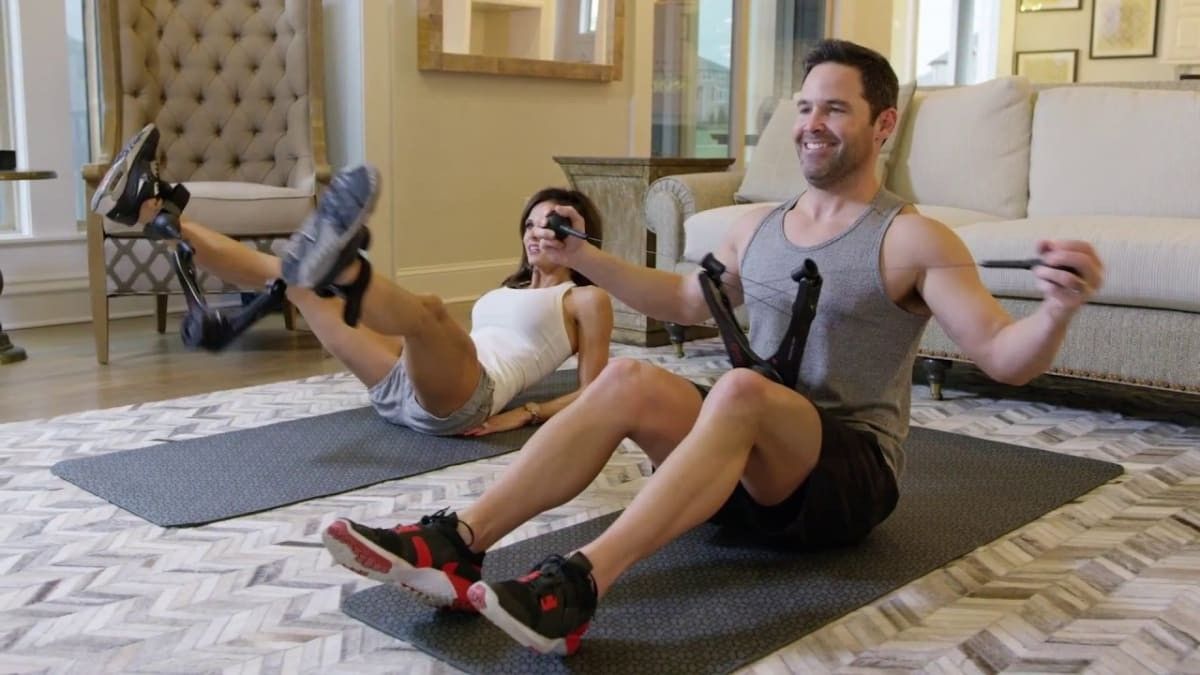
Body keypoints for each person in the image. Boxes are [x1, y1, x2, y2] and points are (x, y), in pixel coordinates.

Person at [322, 39, 1105, 655]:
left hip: (846, 481)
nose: (812, 124)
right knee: (629, 376)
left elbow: (1002, 356)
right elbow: (682, 301)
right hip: (740, 461)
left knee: (738, 389)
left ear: (883, 124)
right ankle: (460, 541)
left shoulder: (913, 238)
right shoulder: (757, 225)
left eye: (836, 109)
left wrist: (1057, 308)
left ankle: (580, 585)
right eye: (805, 107)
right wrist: (583, 254)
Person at [90, 125, 614, 438]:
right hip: (396, 388)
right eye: (531, 223)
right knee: (291, 278)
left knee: (430, 310)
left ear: (580, 234)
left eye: (555, 223)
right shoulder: (507, 290)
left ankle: (342, 268)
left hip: (466, 401)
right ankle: (149, 208)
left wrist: (526, 415)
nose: (539, 232)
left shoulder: (586, 298)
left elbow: (596, 392)